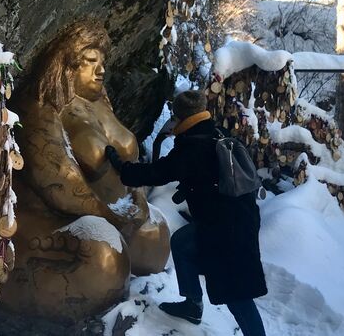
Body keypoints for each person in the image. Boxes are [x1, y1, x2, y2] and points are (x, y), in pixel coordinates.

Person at [105, 90, 268, 335]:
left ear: (180, 117)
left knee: (237, 295)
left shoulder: (193, 146)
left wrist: (120, 165)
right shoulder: (216, 132)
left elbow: (155, 173)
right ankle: (192, 305)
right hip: (237, 218)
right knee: (181, 243)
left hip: (227, 230)